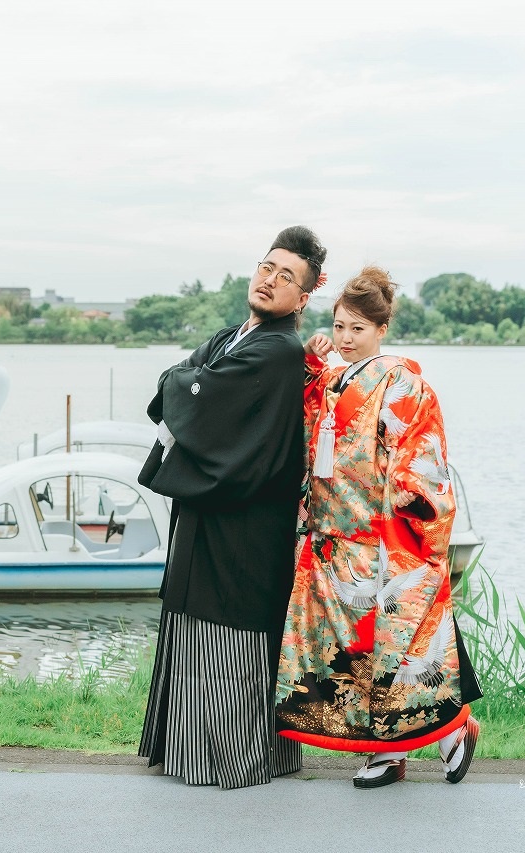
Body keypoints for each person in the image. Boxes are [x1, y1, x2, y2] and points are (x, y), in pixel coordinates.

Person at [275, 266, 482, 789]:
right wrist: (310, 362)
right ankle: (384, 754)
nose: (346, 338)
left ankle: (453, 730)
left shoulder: (403, 383)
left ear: (381, 329)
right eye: (339, 326)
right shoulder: (329, 377)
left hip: (385, 539)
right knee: (352, 653)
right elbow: (302, 426)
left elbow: (421, 455)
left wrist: (411, 504)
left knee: (400, 651)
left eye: (357, 329)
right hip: (332, 538)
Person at [137, 225, 327, 789]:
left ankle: (234, 758)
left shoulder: (277, 351)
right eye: (268, 267)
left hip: (248, 519)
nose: (271, 280)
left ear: (303, 297)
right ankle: (192, 751)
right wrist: (191, 378)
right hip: (214, 508)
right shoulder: (235, 336)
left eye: (286, 276)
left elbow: (197, 391)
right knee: (199, 622)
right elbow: (180, 381)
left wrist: (190, 378)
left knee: (231, 630)